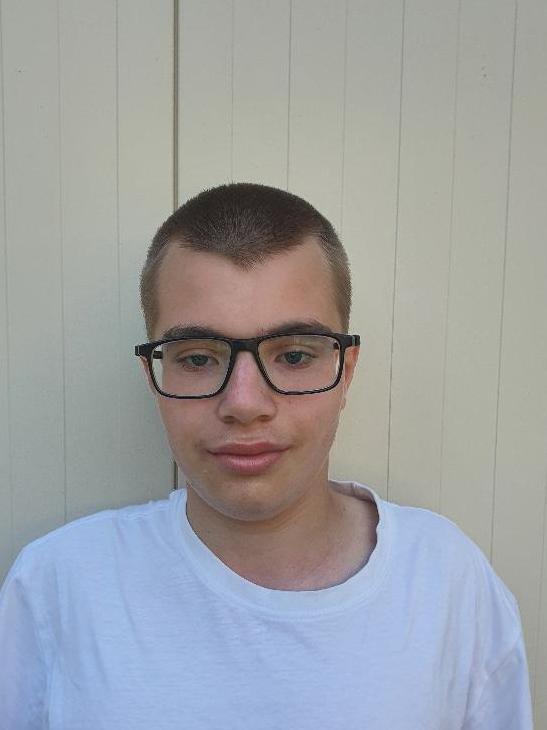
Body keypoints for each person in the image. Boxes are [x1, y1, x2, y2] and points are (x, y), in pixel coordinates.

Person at [0, 183, 533, 729]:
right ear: (153, 375)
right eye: (199, 358)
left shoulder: (446, 582)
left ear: (346, 370)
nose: (245, 404)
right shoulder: (59, 588)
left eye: (295, 355)